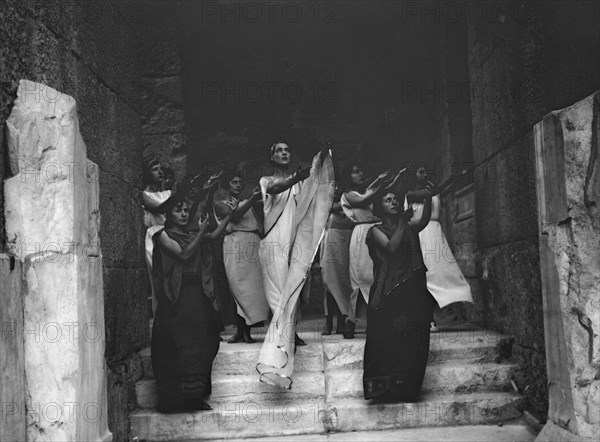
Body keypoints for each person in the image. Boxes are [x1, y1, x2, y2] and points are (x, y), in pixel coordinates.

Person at [151, 185, 237, 413]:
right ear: (169, 215)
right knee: (178, 348)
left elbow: (214, 235)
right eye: (178, 210)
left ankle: (194, 397)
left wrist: (228, 216)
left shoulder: (191, 234)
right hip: (177, 300)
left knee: (203, 346)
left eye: (186, 210)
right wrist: (200, 232)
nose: (184, 214)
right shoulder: (162, 236)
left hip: (198, 296)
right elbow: (184, 254)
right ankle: (175, 401)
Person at [256, 141, 334, 389]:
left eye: (288, 150)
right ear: (272, 156)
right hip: (273, 241)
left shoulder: (299, 182)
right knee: (279, 289)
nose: (284, 153)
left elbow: (310, 194)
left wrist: (320, 162)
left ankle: (288, 333)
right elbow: (277, 188)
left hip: (292, 240)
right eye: (279, 150)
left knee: (294, 286)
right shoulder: (265, 180)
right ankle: (282, 339)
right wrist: (295, 178)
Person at [363, 189, 435, 401]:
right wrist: (403, 222)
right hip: (387, 293)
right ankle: (384, 391)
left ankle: (407, 389)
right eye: (388, 200)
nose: (393, 202)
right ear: (380, 207)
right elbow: (391, 247)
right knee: (387, 341)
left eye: (396, 199)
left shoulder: (409, 227)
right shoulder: (375, 230)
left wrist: (429, 196)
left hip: (410, 290)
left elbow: (423, 221)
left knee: (411, 340)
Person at [406, 166, 473, 331]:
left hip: (436, 235)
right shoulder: (410, 194)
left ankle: (443, 307)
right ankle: (427, 318)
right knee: (426, 277)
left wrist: (455, 179)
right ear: (413, 174)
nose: (424, 174)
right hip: (421, 235)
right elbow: (431, 193)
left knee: (443, 274)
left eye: (425, 170)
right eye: (420, 171)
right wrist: (446, 183)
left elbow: (442, 191)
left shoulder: (433, 191)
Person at [340, 165, 403, 338]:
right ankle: (350, 321)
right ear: (348, 176)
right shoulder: (348, 195)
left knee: (377, 275)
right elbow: (366, 197)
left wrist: (391, 178)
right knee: (361, 278)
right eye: (355, 171)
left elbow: (372, 190)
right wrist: (380, 182)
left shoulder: (364, 192)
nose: (361, 173)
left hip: (374, 232)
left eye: (361, 170)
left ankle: (373, 320)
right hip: (361, 235)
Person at [214, 172, 270, 343]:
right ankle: (240, 330)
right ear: (227, 185)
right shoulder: (220, 204)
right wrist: (253, 199)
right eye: (234, 182)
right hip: (234, 243)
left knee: (253, 288)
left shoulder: (248, 202)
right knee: (238, 287)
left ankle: (247, 330)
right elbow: (235, 215)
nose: (238, 185)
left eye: (240, 182)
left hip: (252, 243)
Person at [320, 184, 354, 336]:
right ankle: (328, 322)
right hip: (331, 244)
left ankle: (342, 320)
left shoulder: (351, 201)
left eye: (337, 186)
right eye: (332, 186)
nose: (335, 189)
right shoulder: (324, 203)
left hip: (347, 244)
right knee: (329, 282)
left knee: (344, 282)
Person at [142, 159, 171, 316]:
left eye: (161, 168)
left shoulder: (168, 193)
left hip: (170, 234)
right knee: (158, 283)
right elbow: (159, 208)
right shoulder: (144, 195)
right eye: (155, 169)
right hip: (154, 237)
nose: (160, 172)